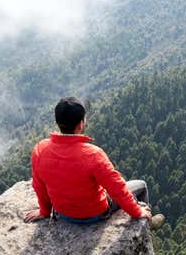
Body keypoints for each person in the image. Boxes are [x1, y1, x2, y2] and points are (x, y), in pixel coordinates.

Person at [24, 97, 165, 229]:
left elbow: (39, 185)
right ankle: (148, 223)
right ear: (80, 125)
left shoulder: (40, 149)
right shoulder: (93, 154)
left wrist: (44, 211)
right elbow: (117, 189)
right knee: (141, 185)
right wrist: (137, 211)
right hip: (95, 214)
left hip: (63, 214)